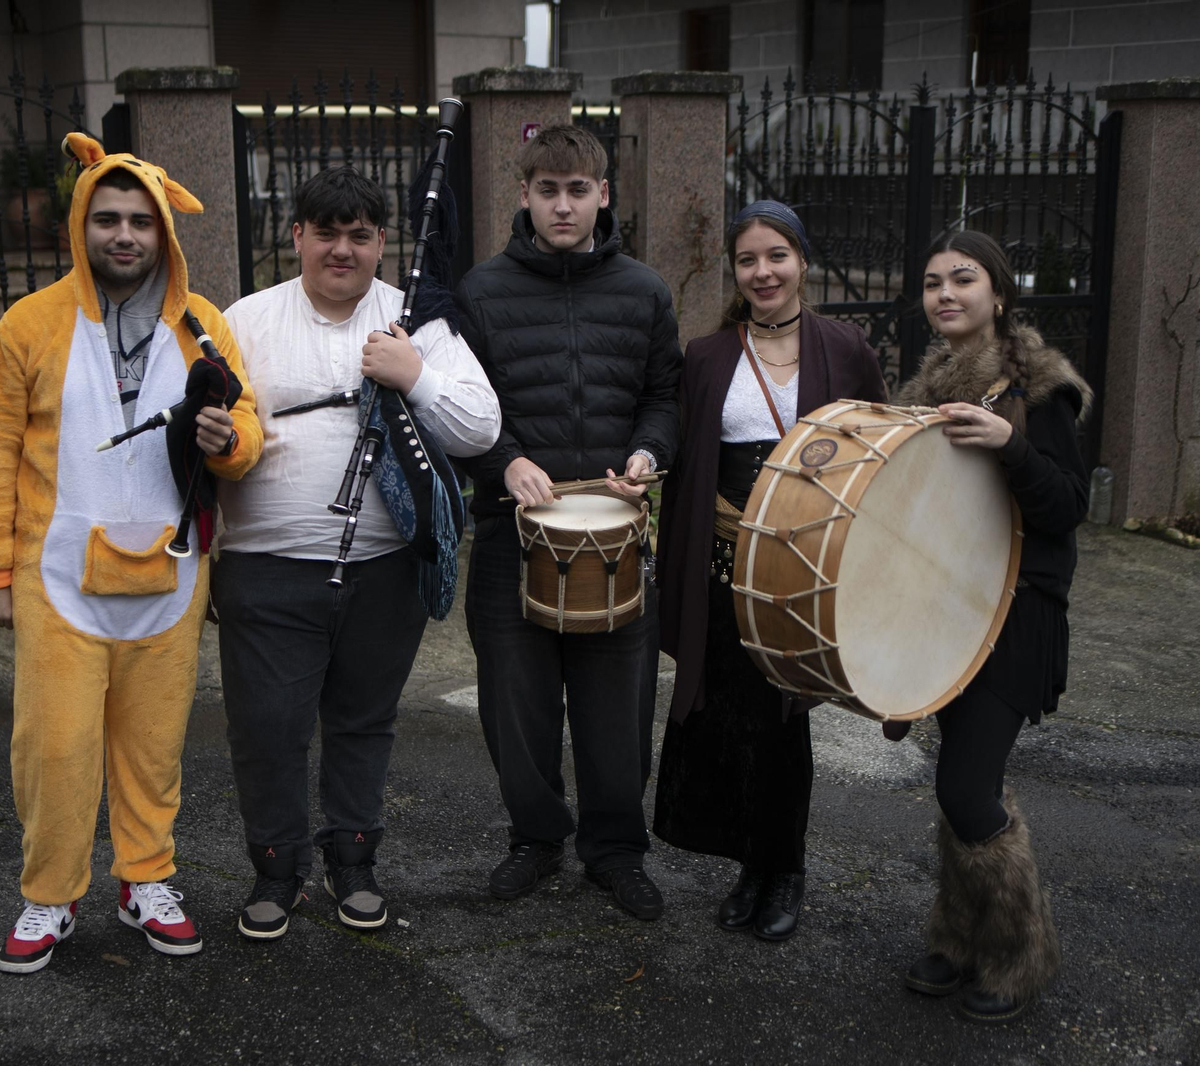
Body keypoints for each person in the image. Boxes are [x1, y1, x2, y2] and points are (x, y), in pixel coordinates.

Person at [0, 133, 262, 974]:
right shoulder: (29, 325)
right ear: (80, 225)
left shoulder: (204, 327)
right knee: (55, 748)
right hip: (56, 577)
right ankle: (50, 895)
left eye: (140, 220)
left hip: (171, 575)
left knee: (152, 749)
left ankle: (146, 880)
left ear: (163, 229)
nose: (124, 235)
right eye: (108, 219)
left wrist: (229, 442)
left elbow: (247, 428)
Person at [214, 166, 499, 940]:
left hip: (385, 573)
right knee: (267, 729)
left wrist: (417, 376)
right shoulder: (246, 319)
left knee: (364, 723)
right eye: (327, 233)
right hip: (265, 573)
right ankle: (277, 869)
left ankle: (354, 863)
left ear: (381, 243)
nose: (343, 250)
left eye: (360, 236)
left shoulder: (416, 319)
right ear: (297, 236)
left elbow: (480, 427)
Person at [456, 125, 680, 920]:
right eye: (547, 190)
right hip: (510, 537)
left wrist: (649, 454)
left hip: (616, 538)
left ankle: (616, 851)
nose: (562, 205)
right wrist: (505, 461)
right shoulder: (480, 292)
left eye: (578, 190)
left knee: (617, 711)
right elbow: (455, 407)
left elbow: (664, 396)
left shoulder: (644, 291)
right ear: (523, 194)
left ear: (603, 195)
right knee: (515, 709)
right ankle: (536, 837)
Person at [651, 200, 888, 941]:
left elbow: (881, 449)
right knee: (726, 713)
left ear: (802, 261)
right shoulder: (706, 356)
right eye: (748, 260)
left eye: (777, 256)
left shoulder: (845, 347)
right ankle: (748, 867)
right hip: (723, 566)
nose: (763, 272)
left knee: (783, 723)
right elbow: (683, 458)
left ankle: (786, 870)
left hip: (804, 569)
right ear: (735, 270)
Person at [890, 228, 1090, 1023]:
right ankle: (958, 935)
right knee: (960, 778)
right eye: (933, 281)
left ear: (998, 295)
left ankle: (1016, 956)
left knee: (966, 785)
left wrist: (1012, 445)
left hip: (1018, 611)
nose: (945, 293)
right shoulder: (922, 395)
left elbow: (1068, 507)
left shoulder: (1042, 390)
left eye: (963, 278)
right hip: (948, 608)